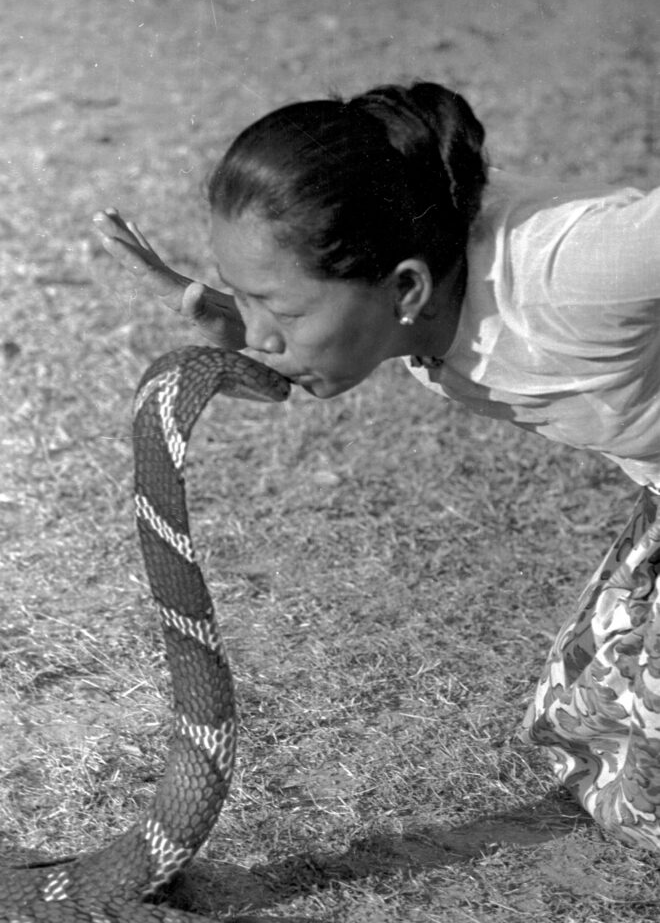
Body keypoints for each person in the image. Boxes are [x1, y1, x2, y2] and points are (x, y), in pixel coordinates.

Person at [95, 81, 660, 851]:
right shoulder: (409, 291)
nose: (259, 335)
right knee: (594, 740)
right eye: (244, 298)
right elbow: (305, 338)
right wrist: (226, 314)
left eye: (280, 312)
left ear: (404, 288)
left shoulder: (569, 271)